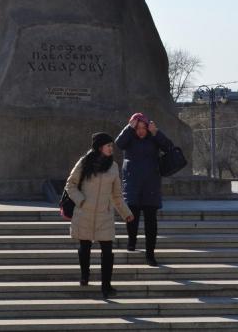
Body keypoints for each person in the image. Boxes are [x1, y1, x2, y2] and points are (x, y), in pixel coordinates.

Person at [65, 131, 133, 297]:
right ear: (99, 147)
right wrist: (81, 201)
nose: (111, 148)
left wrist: (126, 213)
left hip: (105, 214)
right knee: (85, 248)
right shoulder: (84, 162)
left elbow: (117, 195)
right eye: (108, 145)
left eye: (112, 146)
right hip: (84, 213)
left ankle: (106, 286)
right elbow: (70, 185)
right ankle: (85, 275)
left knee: (108, 252)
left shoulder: (113, 166)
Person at [115, 112, 173, 266]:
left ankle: (150, 254)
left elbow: (169, 147)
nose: (140, 131)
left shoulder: (153, 138)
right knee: (131, 218)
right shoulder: (129, 139)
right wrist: (129, 128)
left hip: (151, 185)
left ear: (148, 128)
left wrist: (156, 133)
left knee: (151, 223)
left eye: (143, 128)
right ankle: (132, 241)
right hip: (132, 184)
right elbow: (118, 143)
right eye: (137, 128)